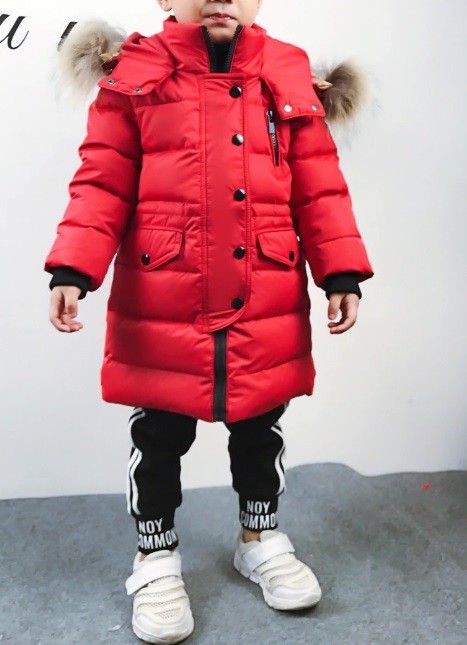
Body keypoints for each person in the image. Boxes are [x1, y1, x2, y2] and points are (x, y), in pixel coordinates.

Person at [44, 0, 374, 642]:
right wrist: (73, 268)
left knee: (261, 428)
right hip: (165, 292)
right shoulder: (135, 74)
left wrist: (339, 272)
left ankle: (259, 537)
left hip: (265, 291)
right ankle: (155, 555)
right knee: (158, 435)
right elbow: (102, 182)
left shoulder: (287, 72)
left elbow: (319, 186)